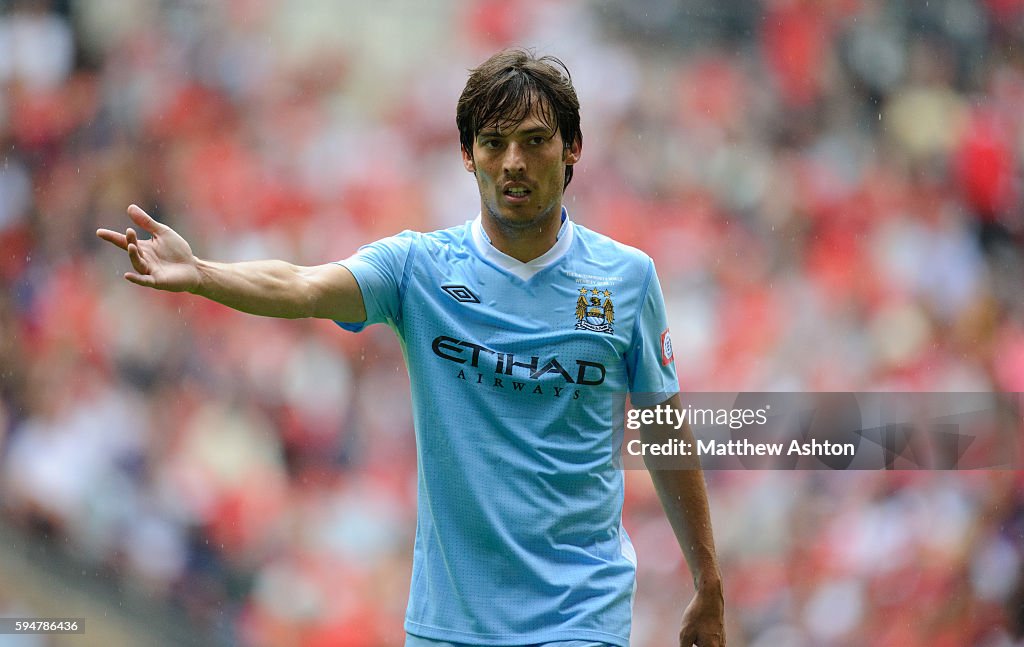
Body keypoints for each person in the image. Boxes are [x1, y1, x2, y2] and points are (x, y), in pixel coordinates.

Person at [98, 49, 725, 647]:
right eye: (493, 142)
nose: (513, 161)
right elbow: (302, 286)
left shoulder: (627, 278)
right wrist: (202, 272)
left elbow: (667, 433)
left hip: (580, 615)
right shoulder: (417, 268)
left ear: (572, 150)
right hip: (449, 619)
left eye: (535, 140)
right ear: (466, 155)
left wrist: (708, 581)